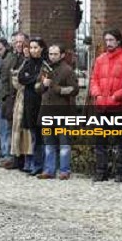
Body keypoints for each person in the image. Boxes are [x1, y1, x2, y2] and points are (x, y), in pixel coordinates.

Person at [89, 29, 122, 182]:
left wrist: (116, 96)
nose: (108, 43)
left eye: (111, 40)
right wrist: (98, 94)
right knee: (100, 141)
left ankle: (121, 171)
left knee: (121, 141)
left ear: (118, 41)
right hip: (102, 106)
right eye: (106, 40)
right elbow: (94, 79)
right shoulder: (100, 59)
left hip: (119, 106)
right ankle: (101, 171)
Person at [37, 44, 79, 180]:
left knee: (64, 143)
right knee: (48, 143)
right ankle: (49, 169)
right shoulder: (45, 69)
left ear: (61, 55)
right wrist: (44, 85)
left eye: (55, 54)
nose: (52, 56)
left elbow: (74, 89)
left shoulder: (67, 70)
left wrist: (57, 88)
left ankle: (64, 170)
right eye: (50, 54)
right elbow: (37, 87)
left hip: (62, 112)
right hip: (46, 111)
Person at [18, 37, 47, 176]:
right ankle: (36, 164)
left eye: (36, 47)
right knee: (34, 136)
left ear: (41, 48)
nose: (33, 50)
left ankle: (44, 164)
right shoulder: (28, 63)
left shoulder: (45, 64)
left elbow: (44, 81)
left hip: (41, 102)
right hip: (30, 103)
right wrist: (34, 79)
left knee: (43, 136)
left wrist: (33, 78)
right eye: (31, 47)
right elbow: (21, 78)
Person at [0, 32, 28, 169]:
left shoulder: (27, 58)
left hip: (23, 98)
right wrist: (3, 97)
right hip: (10, 99)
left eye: (21, 41)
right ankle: (14, 157)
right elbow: (3, 79)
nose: (18, 44)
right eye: (16, 42)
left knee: (23, 129)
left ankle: (23, 160)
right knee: (12, 129)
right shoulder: (9, 58)